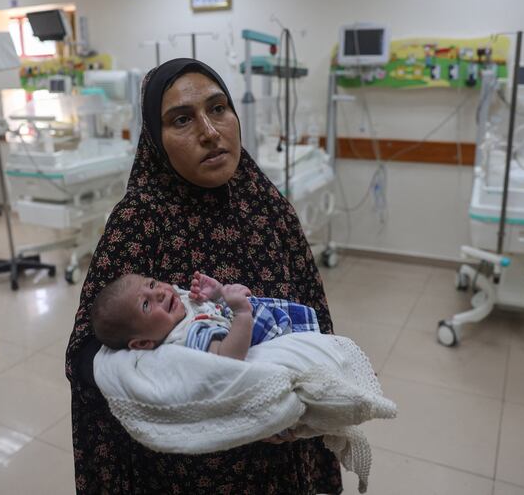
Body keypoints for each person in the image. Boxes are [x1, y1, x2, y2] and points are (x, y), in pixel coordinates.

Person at [65, 58, 342, 494]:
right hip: (192, 467)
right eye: (181, 119)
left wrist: (309, 404)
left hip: (281, 449)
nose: (210, 132)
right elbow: (86, 353)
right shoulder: (140, 220)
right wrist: (201, 395)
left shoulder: (267, 206)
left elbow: (315, 312)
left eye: (218, 108)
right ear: (157, 140)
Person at [90, 271, 321, 359]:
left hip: (280, 322)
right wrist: (242, 313)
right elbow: (228, 357)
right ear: (142, 342)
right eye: (145, 305)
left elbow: (217, 313)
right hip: (277, 339)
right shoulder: (189, 336)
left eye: (151, 284)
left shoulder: (178, 306)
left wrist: (217, 295)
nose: (159, 293)